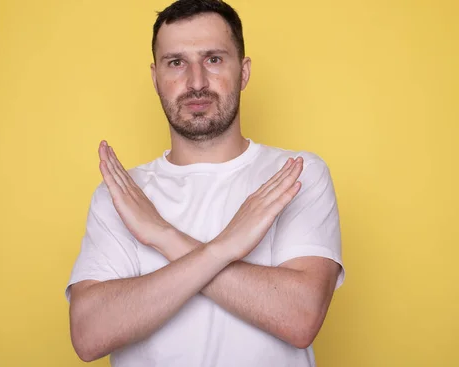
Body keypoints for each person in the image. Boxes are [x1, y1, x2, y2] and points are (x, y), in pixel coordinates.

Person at [65, 0, 345, 366]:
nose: (196, 82)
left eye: (213, 59)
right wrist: (224, 247)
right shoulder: (122, 194)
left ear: (243, 72)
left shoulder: (295, 175)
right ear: (155, 78)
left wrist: (163, 235)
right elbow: (88, 335)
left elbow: (299, 318)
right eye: (176, 62)